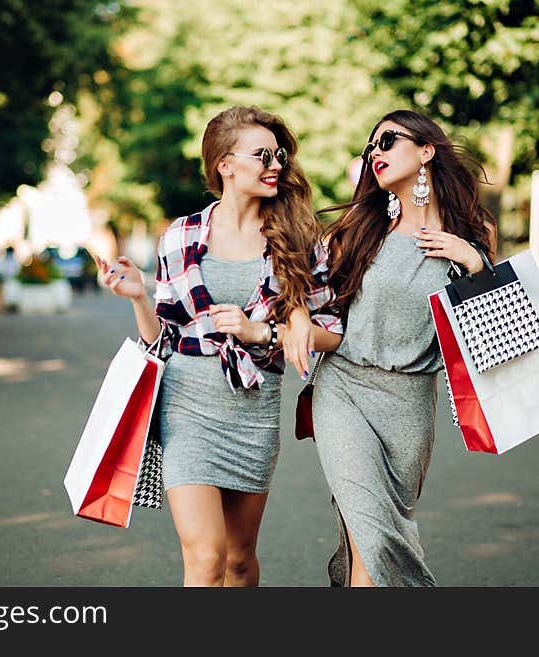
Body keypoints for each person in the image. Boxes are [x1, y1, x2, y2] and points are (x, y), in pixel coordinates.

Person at [95, 106, 343, 587]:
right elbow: (161, 339)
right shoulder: (181, 235)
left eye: (280, 154)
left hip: (254, 407)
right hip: (187, 407)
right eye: (262, 155)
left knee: (238, 560)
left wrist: (262, 334)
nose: (276, 164)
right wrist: (140, 297)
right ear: (225, 165)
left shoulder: (298, 238)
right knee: (206, 559)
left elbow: (331, 331)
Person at [309, 109, 497, 587]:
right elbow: (319, 309)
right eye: (371, 145)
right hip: (343, 389)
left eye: (388, 141)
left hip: (411, 403)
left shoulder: (472, 240)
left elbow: (490, 333)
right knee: (370, 535)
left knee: (379, 540)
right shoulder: (357, 233)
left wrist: (473, 263)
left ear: (426, 151)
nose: (376, 152)